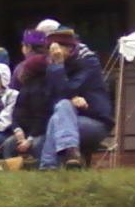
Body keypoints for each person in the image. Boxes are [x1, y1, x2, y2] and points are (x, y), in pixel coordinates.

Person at [37, 27, 113, 170]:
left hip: (95, 120)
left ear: (70, 48)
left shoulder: (89, 62)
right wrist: (69, 98)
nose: (52, 54)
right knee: (61, 110)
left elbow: (68, 90)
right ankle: (70, 156)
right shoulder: (53, 67)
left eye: (55, 49)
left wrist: (59, 66)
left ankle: (48, 166)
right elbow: (49, 100)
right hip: (66, 120)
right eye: (49, 50)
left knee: (60, 113)